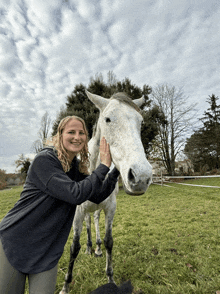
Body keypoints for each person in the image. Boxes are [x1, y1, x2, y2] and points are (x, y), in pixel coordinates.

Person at [0, 116, 120, 294]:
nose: (77, 137)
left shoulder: (74, 167)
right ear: (60, 135)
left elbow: (98, 194)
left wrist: (118, 166)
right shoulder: (45, 160)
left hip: (47, 250)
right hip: (16, 241)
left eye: (81, 133)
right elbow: (75, 194)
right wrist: (103, 166)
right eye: (71, 132)